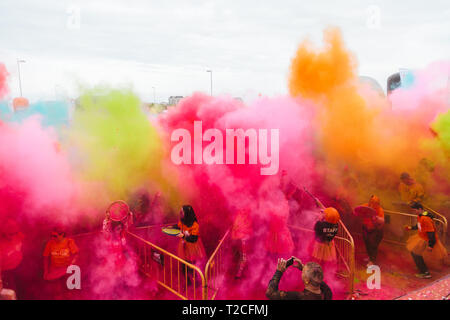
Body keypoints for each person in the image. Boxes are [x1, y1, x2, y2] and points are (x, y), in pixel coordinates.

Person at [405, 202, 447, 279]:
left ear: (420, 209)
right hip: (421, 237)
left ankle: (425, 272)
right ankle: (422, 268)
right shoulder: (420, 216)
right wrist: (411, 228)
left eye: (415, 210)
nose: (414, 212)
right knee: (415, 253)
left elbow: (431, 233)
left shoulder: (425, 218)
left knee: (416, 253)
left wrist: (431, 245)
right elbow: (419, 226)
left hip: (426, 239)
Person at [266, 257, 332, 300]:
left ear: (307, 280)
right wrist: (304, 268)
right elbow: (325, 287)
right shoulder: (327, 293)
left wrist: (279, 272)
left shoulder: (299, 297)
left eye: (303, 271)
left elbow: (270, 293)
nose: (302, 271)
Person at [43, 228, 79, 299]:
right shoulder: (50, 243)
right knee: (57, 293)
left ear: (62, 235)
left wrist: (71, 265)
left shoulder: (69, 242)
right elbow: (46, 257)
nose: (53, 238)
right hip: (55, 271)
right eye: (52, 236)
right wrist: (46, 271)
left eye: (55, 236)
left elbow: (76, 255)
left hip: (66, 270)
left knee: (69, 292)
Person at [0, 219, 23, 300]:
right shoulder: (2, 243)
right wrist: (13, 251)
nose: (13, 235)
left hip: (18, 271)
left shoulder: (18, 235)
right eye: (10, 232)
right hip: (6, 274)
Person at [360, 195, 384, 266]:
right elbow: (359, 210)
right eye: (372, 201)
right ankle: (370, 257)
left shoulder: (379, 210)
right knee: (367, 243)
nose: (373, 203)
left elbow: (382, 221)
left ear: (378, 203)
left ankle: (372, 260)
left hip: (375, 230)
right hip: (365, 228)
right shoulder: (365, 206)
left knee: (373, 245)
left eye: (375, 202)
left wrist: (376, 219)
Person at [231, 208, 253, 278]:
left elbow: (247, 228)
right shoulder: (240, 215)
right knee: (242, 257)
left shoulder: (246, 216)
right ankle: (239, 273)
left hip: (243, 239)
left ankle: (240, 273)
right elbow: (235, 227)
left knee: (243, 257)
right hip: (240, 239)